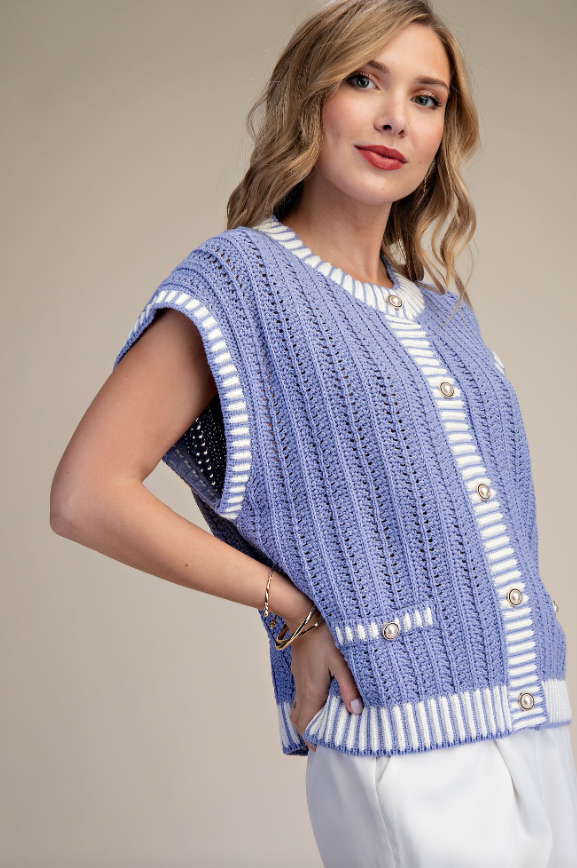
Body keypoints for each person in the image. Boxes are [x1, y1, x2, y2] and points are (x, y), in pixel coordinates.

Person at [50, 0, 577, 865]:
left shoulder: (444, 316)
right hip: (403, 736)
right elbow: (85, 496)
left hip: (535, 723)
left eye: (426, 98)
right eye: (363, 80)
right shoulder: (241, 280)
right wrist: (292, 611)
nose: (394, 117)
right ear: (310, 97)